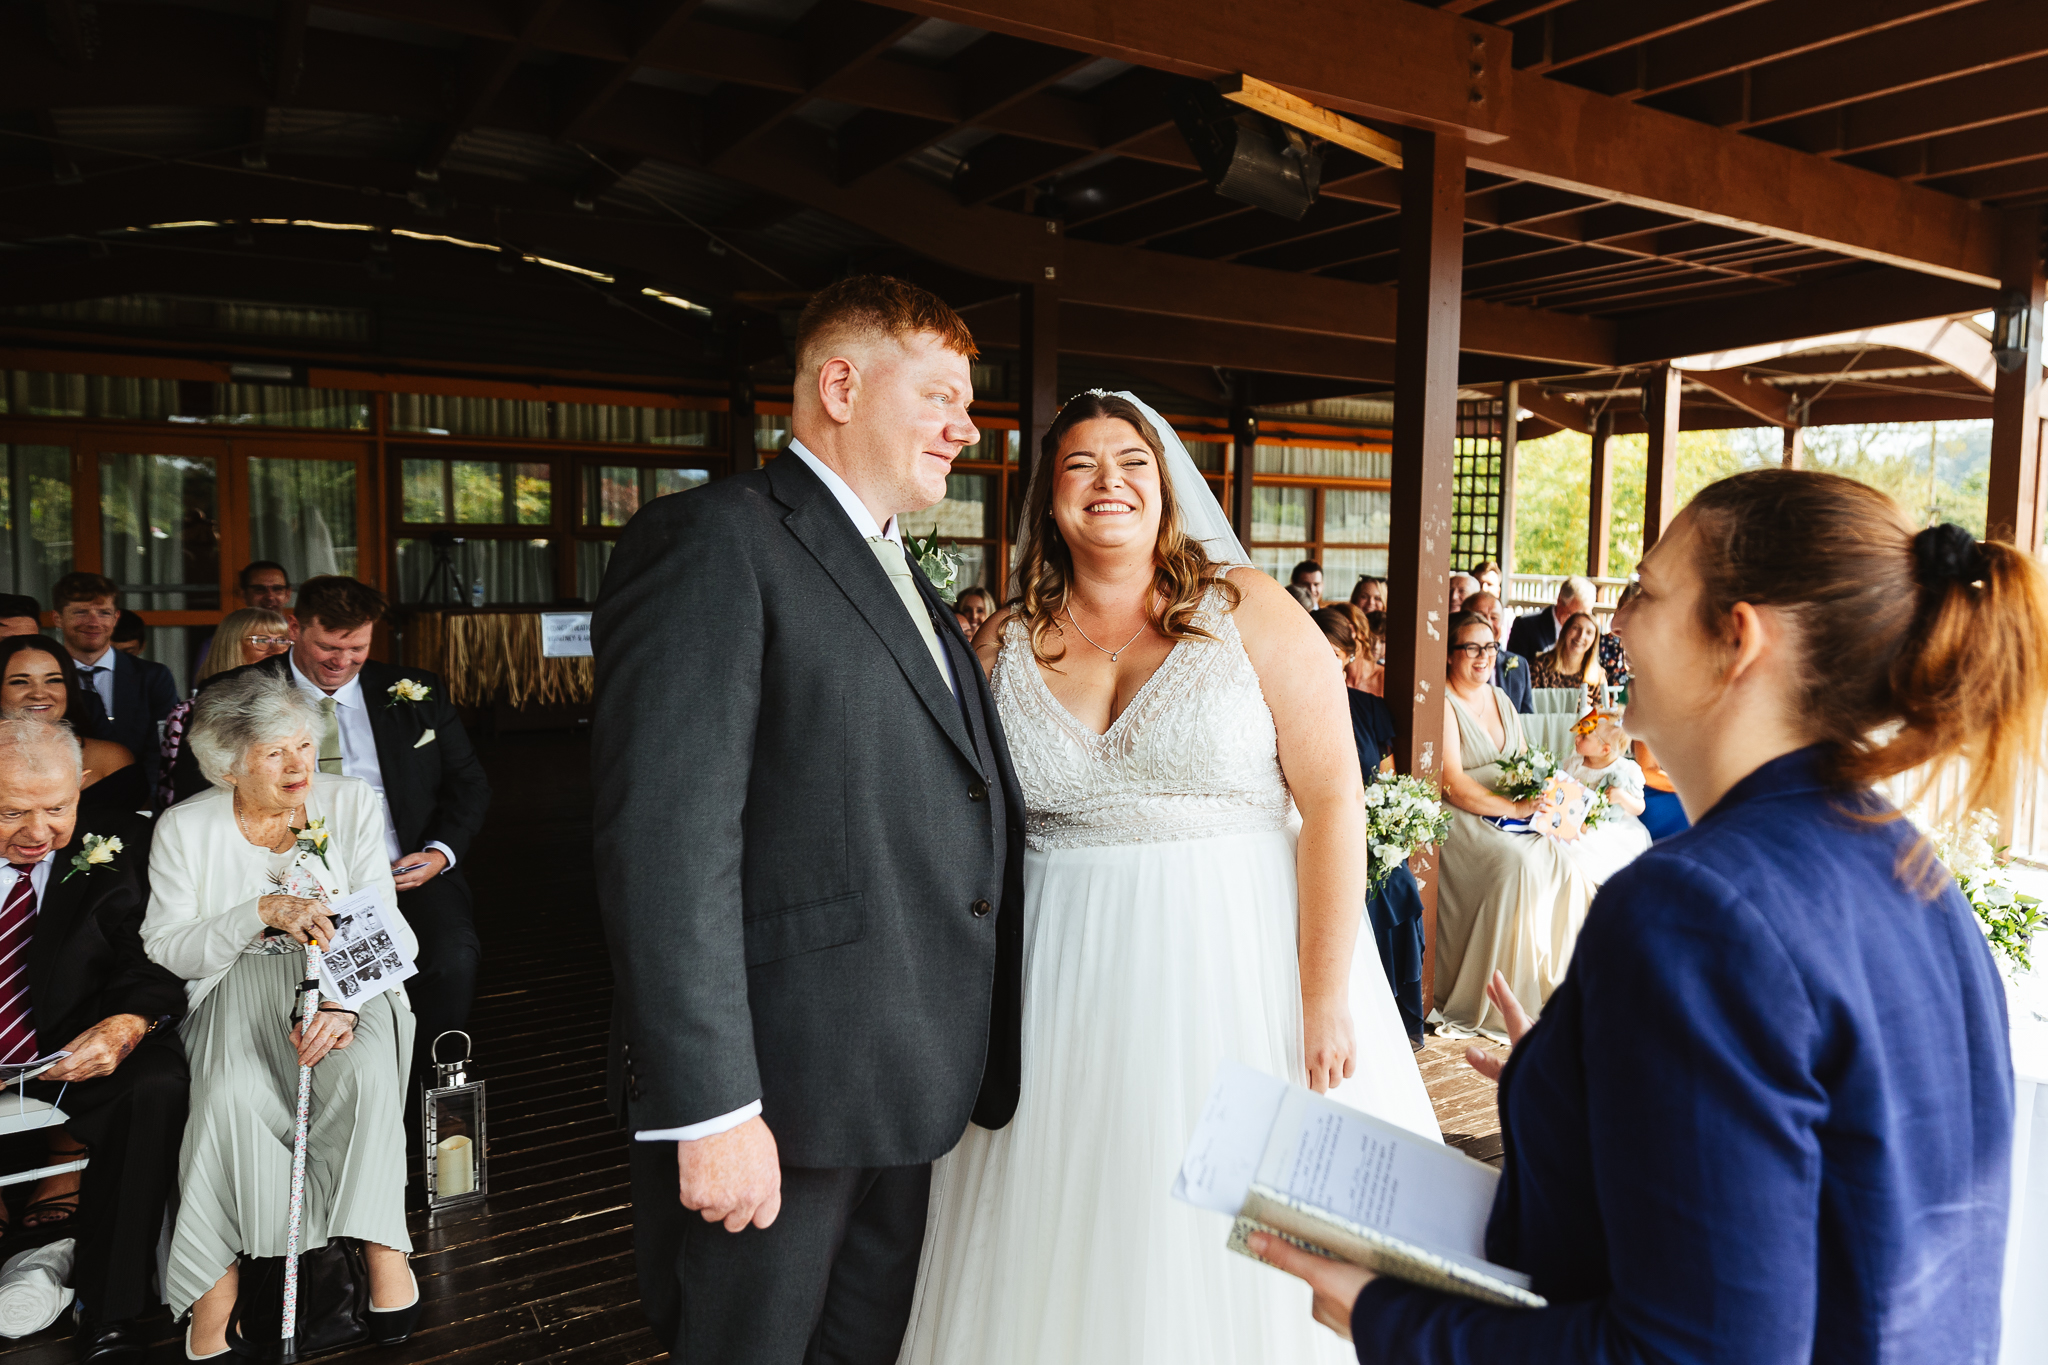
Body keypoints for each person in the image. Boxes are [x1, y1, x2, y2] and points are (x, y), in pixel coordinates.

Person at [1258, 470, 2042, 1365]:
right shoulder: (1912, 865)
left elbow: (1689, 1351)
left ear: (1735, 638)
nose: (1620, 622)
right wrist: (1583, 1086)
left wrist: (1389, 1316)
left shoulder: (1696, 909)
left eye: (1647, 590)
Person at [897, 390, 1435, 1365]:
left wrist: (1321, 997)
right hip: (1058, 987)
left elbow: (1333, 801)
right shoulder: (1001, 644)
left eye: (1131, 463)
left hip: (1236, 970)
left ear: (1167, 487)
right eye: (1080, 465)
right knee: (1066, 1220)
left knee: (1236, 1234)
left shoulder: (1250, 611)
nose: (1109, 483)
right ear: (1045, 500)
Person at [591, 276, 1023, 1364]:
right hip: (776, 1096)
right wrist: (713, 1107)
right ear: (840, 383)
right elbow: (666, 845)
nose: (965, 428)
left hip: (898, 1081)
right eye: (940, 396)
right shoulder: (710, 543)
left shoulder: (905, 573)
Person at [145, 672, 420, 1356]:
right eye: (276, 753)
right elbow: (169, 947)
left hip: (344, 978)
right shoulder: (184, 828)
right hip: (232, 982)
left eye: (304, 744)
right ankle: (220, 1283)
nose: (301, 764)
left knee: (358, 1078)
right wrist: (260, 911)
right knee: (230, 1097)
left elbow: (385, 922)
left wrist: (342, 1001)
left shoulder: (350, 803)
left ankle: (385, 1249)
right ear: (229, 762)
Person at [170, 577, 489, 1107]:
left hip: (404, 870)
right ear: (296, 627)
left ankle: (420, 1100)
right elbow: (198, 796)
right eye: (328, 646)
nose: (342, 661)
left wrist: (439, 854)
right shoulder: (236, 691)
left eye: (357, 648)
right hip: (280, 878)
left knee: (452, 957)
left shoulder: (417, 689)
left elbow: (471, 785)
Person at [0, 718, 186, 1365]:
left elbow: (156, 954)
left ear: (79, 787)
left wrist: (131, 1020)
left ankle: (112, 1309)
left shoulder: (122, 842)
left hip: (68, 1046)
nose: (38, 832)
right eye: (12, 812)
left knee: (157, 1081)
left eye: (56, 808)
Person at [1432, 611, 1594, 1041]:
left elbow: (1524, 763)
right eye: (1471, 647)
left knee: (1563, 861)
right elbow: (1452, 783)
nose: (1483, 657)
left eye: (1489, 647)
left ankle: (1558, 988)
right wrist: (1513, 808)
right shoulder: (1443, 704)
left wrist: (1545, 802)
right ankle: (1505, 997)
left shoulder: (1502, 699)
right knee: (1516, 865)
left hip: (1510, 811)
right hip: (1463, 816)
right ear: (1450, 655)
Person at [1313, 606, 1424, 1045]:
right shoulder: (1284, 707)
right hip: (1315, 831)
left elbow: (1387, 779)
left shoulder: (1368, 710)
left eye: (1333, 652)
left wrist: (1384, 824)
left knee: (1398, 885)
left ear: (1346, 656)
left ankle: (1392, 1014)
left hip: (1367, 833)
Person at [51, 574, 177, 807]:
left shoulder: (153, 676)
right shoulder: (45, 679)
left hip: (141, 804)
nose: (93, 622)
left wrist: (147, 804)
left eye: (104, 613)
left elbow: (164, 748)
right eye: (80, 612)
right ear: (57, 618)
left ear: (116, 617)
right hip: (64, 804)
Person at [0, 636, 145, 825]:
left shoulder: (111, 760)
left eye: (53, 680)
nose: (39, 693)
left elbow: (136, 839)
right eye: (19, 682)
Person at [158, 608, 293, 808]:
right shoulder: (188, 712)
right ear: (231, 646)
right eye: (262, 641)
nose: (276, 650)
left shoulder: (300, 706)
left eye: (283, 641)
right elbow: (178, 790)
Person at [1561, 710, 1651, 884]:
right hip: (1575, 819)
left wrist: (1622, 797)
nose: (1577, 738)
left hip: (1611, 825)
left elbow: (1640, 807)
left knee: (1591, 851)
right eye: (1579, 733)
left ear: (1605, 749)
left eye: (1584, 737)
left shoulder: (1625, 770)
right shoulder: (1574, 763)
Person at [1466, 592, 1532, 714]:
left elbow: (1528, 720)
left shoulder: (1520, 666)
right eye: (1480, 616)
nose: (1488, 623)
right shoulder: (1461, 663)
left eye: (1494, 618)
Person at [1506, 574, 1594, 663]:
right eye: (1574, 615)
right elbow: (1514, 670)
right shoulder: (1526, 626)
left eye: (1586, 616)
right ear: (1560, 601)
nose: (1580, 621)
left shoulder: (1590, 633)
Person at [1528, 610, 1607, 692]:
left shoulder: (1597, 675)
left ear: (1594, 640)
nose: (1581, 636)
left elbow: (1602, 704)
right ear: (1565, 631)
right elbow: (1530, 702)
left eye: (1589, 632)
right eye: (1576, 628)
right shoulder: (1538, 667)